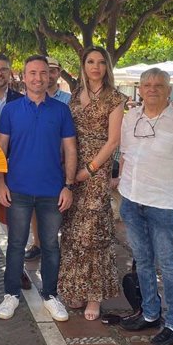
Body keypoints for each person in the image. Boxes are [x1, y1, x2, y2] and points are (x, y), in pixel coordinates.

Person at [117, 68, 173, 345]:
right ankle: (151, 313)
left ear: (168, 90)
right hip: (131, 201)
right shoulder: (131, 118)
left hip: (163, 206)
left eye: (159, 85)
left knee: (167, 265)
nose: (152, 89)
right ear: (139, 89)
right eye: (147, 85)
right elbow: (126, 156)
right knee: (142, 260)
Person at [0, 55, 77, 322]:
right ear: (24, 76)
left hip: (52, 190)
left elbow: (70, 149)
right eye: (32, 73)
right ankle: (11, 294)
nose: (38, 78)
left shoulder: (61, 110)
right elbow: (1, 149)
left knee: (51, 245)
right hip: (17, 189)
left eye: (43, 73)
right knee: (16, 243)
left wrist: (68, 185)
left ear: (50, 75)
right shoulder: (11, 110)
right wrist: (0, 182)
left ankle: (50, 295)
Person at [57, 46, 126, 321]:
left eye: (100, 62)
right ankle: (75, 287)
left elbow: (113, 141)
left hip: (96, 171)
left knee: (94, 232)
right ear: (83, 66)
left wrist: (91, 169)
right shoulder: (75, 96)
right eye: (90, 62)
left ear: (107, 67)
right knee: (73, 229)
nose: (95, 67)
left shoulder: (116, 98)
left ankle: (94, 296)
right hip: (72, 167)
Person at [0, 53, 32, 292]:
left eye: (3, 69)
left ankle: (18, 269)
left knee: (14, 224)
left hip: (14, 169)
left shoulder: (21, 100)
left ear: (10, 72)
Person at [24, 56, 71, 262]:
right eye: (43, 71)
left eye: (51, 71)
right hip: (37, 165)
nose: (46, 75)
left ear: (58, 73)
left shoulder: (68, 101)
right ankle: (38, 243)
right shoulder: (25, 100)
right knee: (35, 208)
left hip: (61, 164)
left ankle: (56, 249)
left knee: (59, 210)